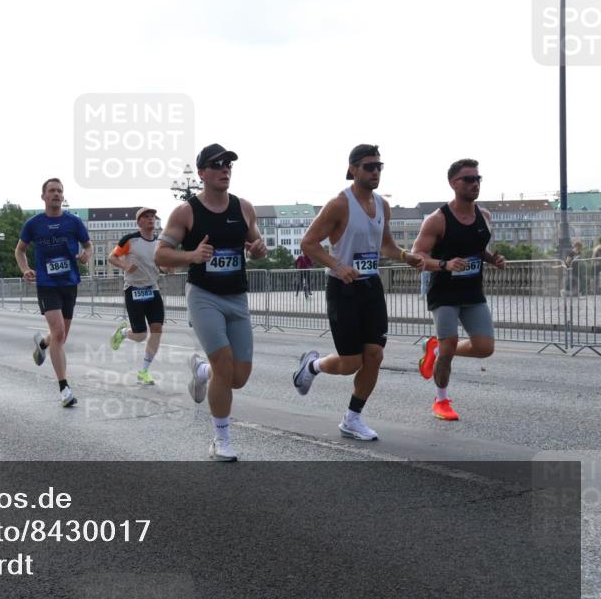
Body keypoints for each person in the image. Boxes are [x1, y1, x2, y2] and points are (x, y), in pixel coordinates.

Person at [291, 144, 423, 441]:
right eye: (369, 166)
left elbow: (385, 244)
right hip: (343, 288)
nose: (375, 172)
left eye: (379, 166)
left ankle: (352, 418)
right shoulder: (339, 204)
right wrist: (338, 266)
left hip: (371, 286)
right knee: (351, 363)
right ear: (353, 169)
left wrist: (405, 256)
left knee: (374, 355)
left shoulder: (382, 205)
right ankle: (311, 366)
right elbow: (308, 243)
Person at [154, 144, 268, 461]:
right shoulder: (186, 212)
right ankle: (221, 439)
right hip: (204, 296)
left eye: (229, 164)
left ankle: (201, 371)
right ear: (202, 173)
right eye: (217, 164)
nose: (225, 169)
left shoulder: (244, 208)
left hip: (236, 297)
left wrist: (259, 249)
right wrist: (191, 255)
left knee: (239, 377)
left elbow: (255, 243)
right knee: (224, 365)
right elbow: (160, 255)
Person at [412, 158, 506, 421]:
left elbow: (476, 248)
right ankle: (441, 400)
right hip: (444, 293)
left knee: (485, 347)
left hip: (472, 291)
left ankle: (437, 350)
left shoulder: (484, 216)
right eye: (468, 179)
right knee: (450, 341)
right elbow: (417, 256)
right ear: (454, 184)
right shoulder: (437, 219)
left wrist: (492, 260)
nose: (475, 183)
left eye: (478, 179)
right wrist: (444, 264)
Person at [15, 178, 93, 407]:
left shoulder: (74, 222)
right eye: (52, 191)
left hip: (69, 282)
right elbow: (20, 250)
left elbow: (88, 245)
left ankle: (43, 344)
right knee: (58, 332)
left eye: (59, 191)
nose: (56, 194)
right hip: (47, 283)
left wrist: (87, 254)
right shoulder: (34, 223)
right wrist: (25, 268)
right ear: (44, 196)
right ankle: (64, 388)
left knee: (60, 337)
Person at [108, 207, 170, 385]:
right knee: (141, 335)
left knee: (157, 329)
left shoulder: (159, 243)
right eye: (147, 217)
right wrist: (126, 266)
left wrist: (167, 269)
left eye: (153, 217)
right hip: (134, 290)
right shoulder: (130, 240)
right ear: (139, 222)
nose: (151, 219)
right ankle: (123, 333)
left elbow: (160, 265)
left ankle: (144, 371)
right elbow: (112, 257)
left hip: (152, 289)